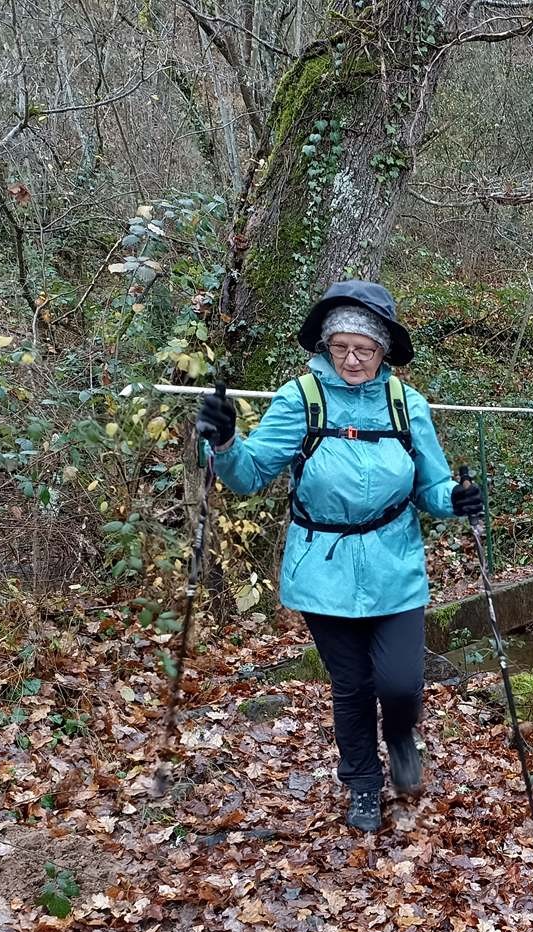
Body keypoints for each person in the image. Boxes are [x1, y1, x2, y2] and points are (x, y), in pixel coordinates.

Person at [195, 280, 483, 834]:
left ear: (384, 351)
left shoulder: (407, 405)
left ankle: (401, 736)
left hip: (395, 564)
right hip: (322, 571)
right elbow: (251, 476)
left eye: (364, 349)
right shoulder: (300, 399)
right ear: (325, 346)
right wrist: (226, 444)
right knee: (351, 686)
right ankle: (362, 785)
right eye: (340, 347)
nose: (351, 359)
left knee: (399, 682)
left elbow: (432, 486)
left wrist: (455, 500)